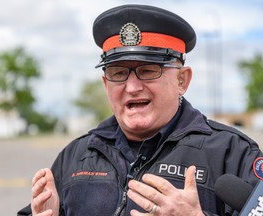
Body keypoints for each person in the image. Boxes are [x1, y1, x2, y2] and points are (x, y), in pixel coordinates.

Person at [18, 4, 263, 216]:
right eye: (119, 72)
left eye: (148, 70)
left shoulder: (233, 153)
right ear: (106, 84)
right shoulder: (76, 155)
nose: (132, 86)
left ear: (182, 81)